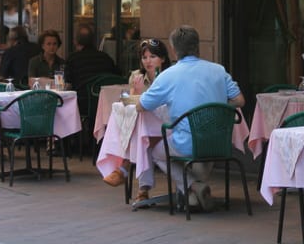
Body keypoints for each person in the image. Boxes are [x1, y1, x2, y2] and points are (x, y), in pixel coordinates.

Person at [139, 25, 244, 212]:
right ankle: (192, 196)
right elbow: (239, 100)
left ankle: (193, 186)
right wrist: (215, 109)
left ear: (173, 49)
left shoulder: (168, 76)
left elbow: (142, 105)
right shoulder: (219, 70)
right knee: (189, 149)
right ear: (198, 47)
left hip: (187, 143)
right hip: (219, 141)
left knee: (156, 151)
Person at [102, 38, 172, 201]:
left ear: (162, 58)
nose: (148, 61)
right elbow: (130, 105)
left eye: (152, 57)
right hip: (146, 128)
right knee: (141, 137)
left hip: (167, 125)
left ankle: (125, 169)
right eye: (144, 57)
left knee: (142, 138)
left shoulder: (169, 76)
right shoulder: (136, 76)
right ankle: (141, 188)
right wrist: (135, 91)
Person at [64, 23, 118, 112]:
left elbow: (68, 86)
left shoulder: (73, 59)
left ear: (75, 41)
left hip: (83, 104)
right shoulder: (105, 58)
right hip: (106, 103)